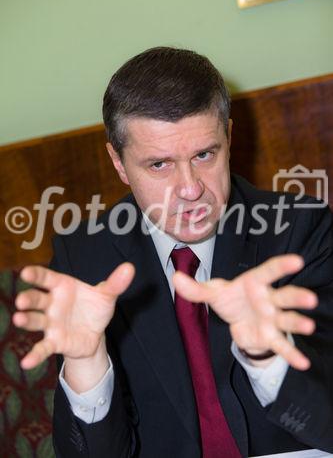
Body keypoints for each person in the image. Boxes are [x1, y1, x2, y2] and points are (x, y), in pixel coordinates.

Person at [13, 47, 333, 457]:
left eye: (204, 154)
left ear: (229, 138)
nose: (190, 188)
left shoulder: (300, 230)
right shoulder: (84, 258)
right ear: (119, 163)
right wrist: (86, 364)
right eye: (159, 165)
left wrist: (268, 356)